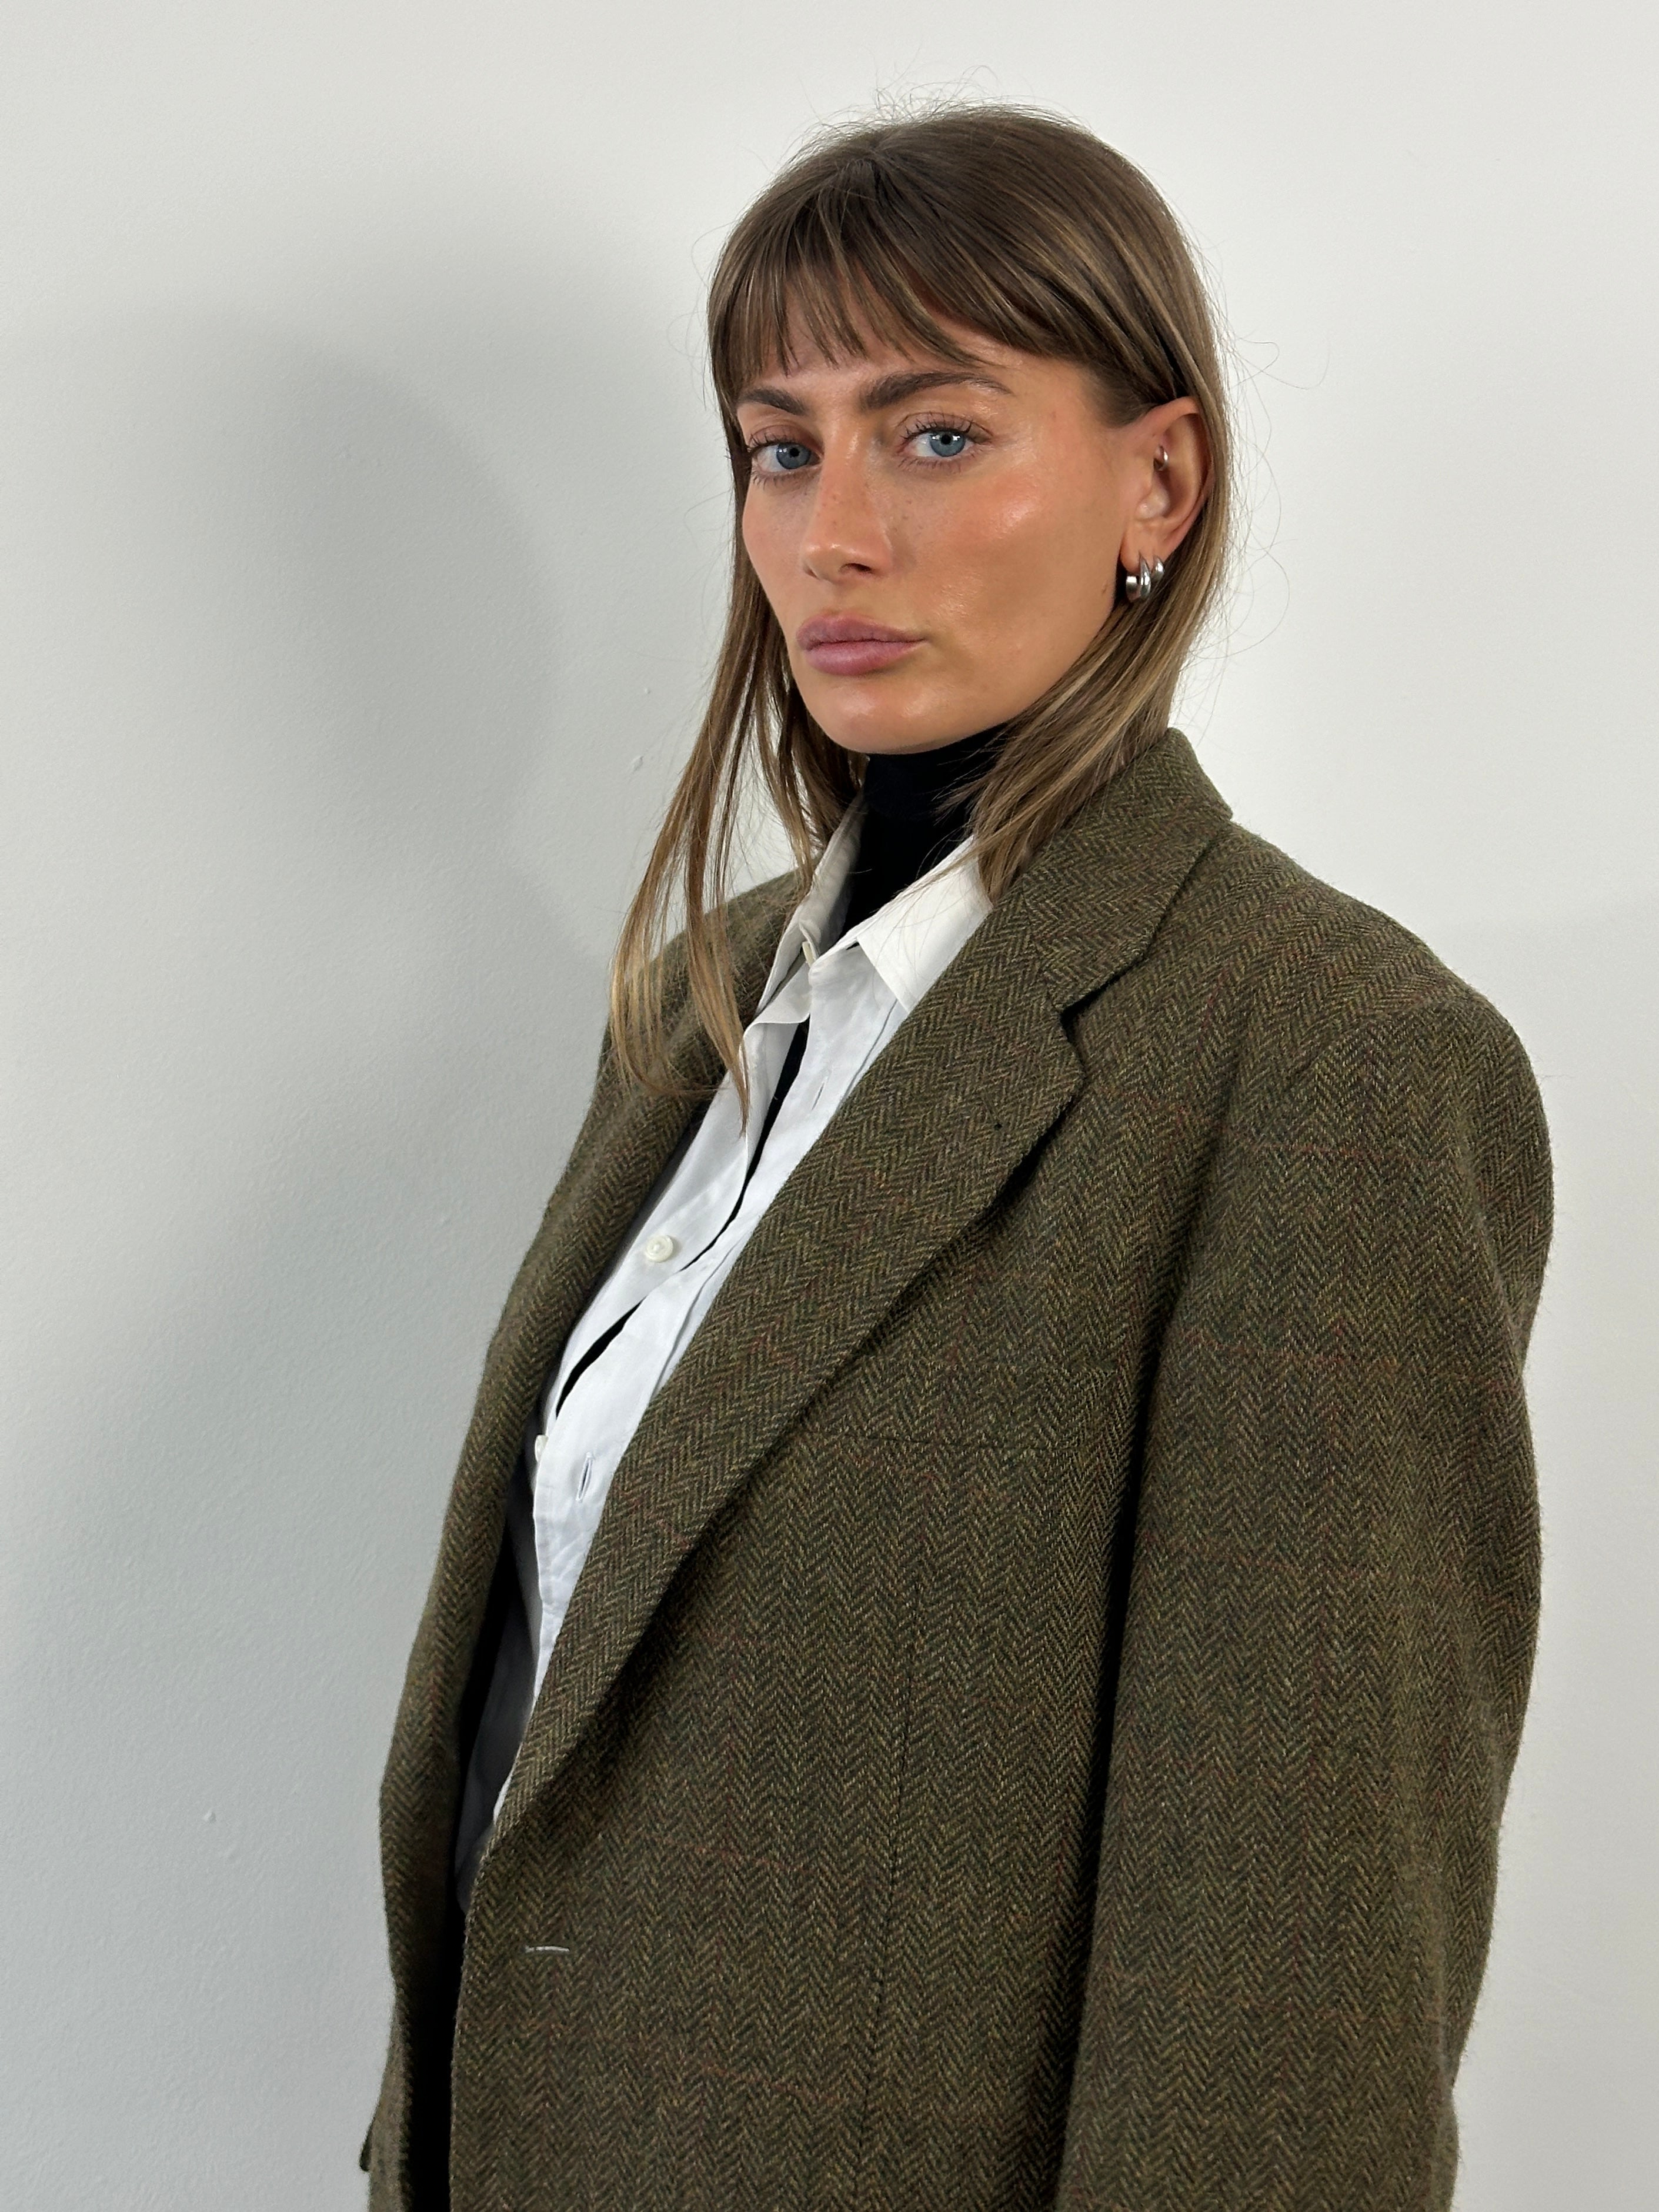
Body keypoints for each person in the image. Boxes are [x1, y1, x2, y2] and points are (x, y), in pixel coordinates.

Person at [363, 105, 1551, 2212]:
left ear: (1157, 481)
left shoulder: (1327, 1063)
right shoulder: (713, 1008)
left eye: (934, 435)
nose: (833, 534)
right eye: (779, 447)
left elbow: (1293, 2003)